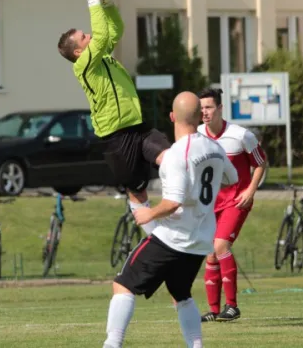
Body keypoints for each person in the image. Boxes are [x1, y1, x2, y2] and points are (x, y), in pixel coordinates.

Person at [102, 91, 238, 348]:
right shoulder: (215, 149)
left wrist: (148, 213)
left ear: (172, 116)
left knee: (123, 284)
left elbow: (173, 202)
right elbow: (231, 179)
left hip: (172, 239)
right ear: (200, 117)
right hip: (199, 242)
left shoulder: (176, 154)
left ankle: (112, 344)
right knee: (181, 294)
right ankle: (196, 345)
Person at [57, 0, 170, 235]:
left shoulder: (101, 56)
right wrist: (94, 4)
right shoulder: (84, 65)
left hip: (137, 126)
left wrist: (107, 7)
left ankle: (179, 204)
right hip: (115, 136)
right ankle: (154, 237)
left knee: (171, 158)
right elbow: (100, 38)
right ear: (78, 52)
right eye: (84, 37)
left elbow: (114, 30)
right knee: (137, 190)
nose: (89, 35)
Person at [198, 88, 267, 322]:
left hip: (237, 200)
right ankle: (214, 310)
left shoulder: (241, 135)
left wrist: (251, 190)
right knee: (210, 254)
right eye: (201, 108)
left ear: (219, 109)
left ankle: (233, 306)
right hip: (210, 204)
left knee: (220, 247)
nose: (204, 112)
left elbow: (260, 163)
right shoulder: (198, 134)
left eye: (208, 107)